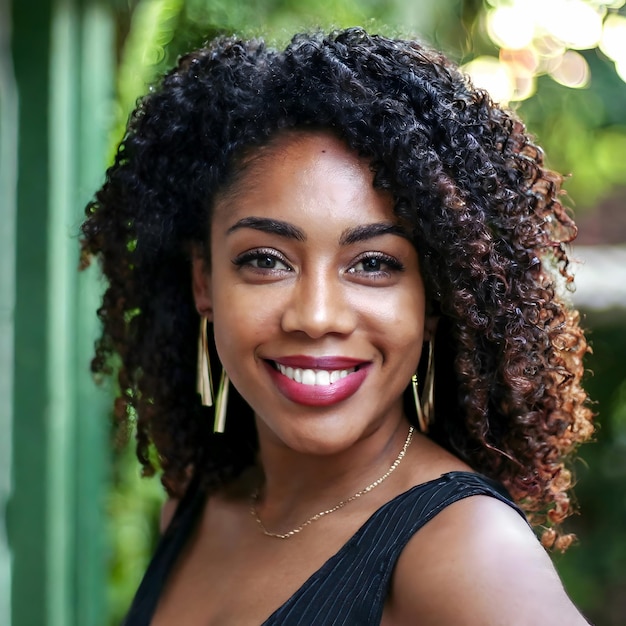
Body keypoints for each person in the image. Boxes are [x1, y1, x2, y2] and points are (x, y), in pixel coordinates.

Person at [81, 28, 594, 625]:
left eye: (374, 264)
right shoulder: (195, 508)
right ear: (204, 281)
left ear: (435, 300)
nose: (316, 316)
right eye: (265, 260)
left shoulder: (466, 550)